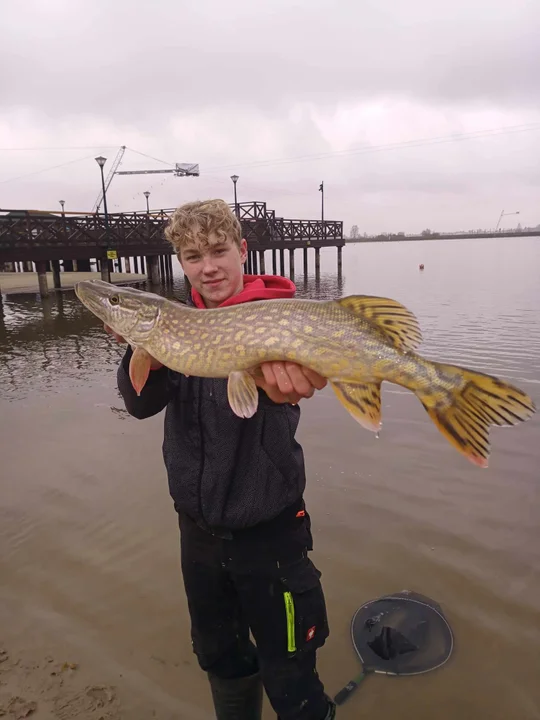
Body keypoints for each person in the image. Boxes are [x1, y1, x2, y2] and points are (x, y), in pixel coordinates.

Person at [111, 199, 336, 720]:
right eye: (192, 256)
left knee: (290, 670)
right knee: (223, 660)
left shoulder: (278, 319)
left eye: (218, 251)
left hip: (271, 538)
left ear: (243, 250)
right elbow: (140, 405)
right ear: (180, 263)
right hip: (199, 536)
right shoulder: (174, 325)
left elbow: (295, 387)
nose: (207, 267)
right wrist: (138, 345)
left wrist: (292, 380)